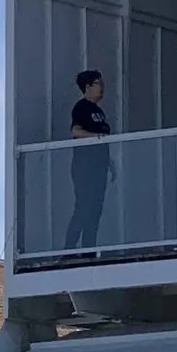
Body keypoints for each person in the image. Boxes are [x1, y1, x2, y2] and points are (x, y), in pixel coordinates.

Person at [63, 68, 112, 253]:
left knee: (95, 209)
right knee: (84, 206)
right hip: (85, 166)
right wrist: (94, 137)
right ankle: (69, 249)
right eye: (98, 83)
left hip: (100, 166)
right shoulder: (81, 107)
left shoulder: (99, 111)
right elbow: (76, 131)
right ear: (88, 86)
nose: (102, 87)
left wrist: (110, 162)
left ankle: (89, 249)